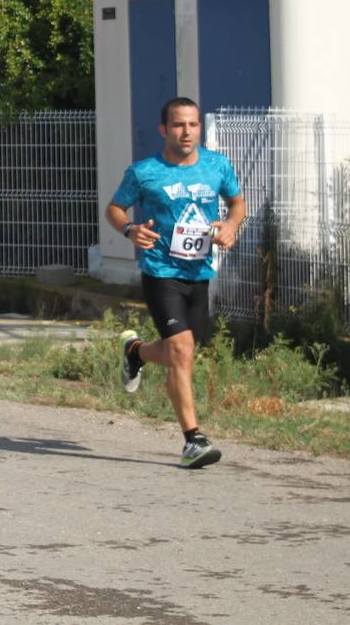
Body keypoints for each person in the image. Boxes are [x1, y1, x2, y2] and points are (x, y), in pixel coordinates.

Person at [105, 96, 246, 469]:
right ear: (164, 130)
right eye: (179, 125)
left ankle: (135, 352)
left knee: (177, 356)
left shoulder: (217, 166)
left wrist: (231, 225)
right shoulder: (144, 171)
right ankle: (193, 439)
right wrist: (131, 229)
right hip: (161, 272)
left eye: (193, 125)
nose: (187, 132)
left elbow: (237, 203)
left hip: (198, 274)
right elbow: (115, 209)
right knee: (181, 351)